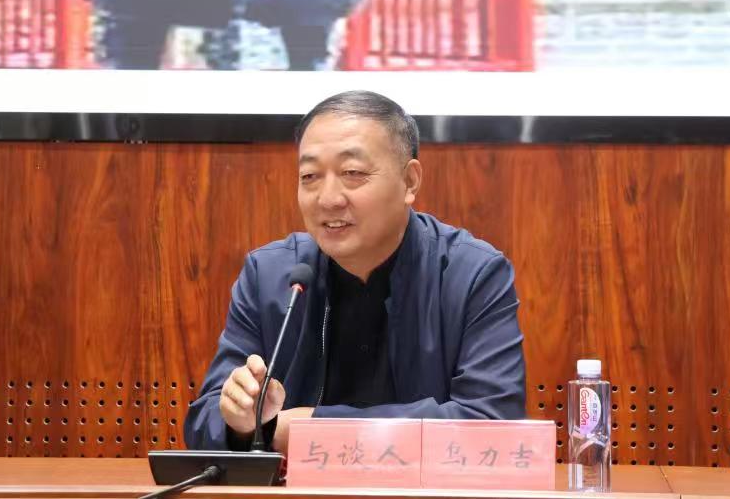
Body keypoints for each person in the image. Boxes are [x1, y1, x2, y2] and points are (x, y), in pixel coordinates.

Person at [184, 91, 526, 453]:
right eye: (310, 176)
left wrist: (304, 428)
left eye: (352, 173)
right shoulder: (270, 276)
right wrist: (240, 421)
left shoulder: (472, 275)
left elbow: (492, 422)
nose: (328, 198)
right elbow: (206, 421)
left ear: (410, 181)